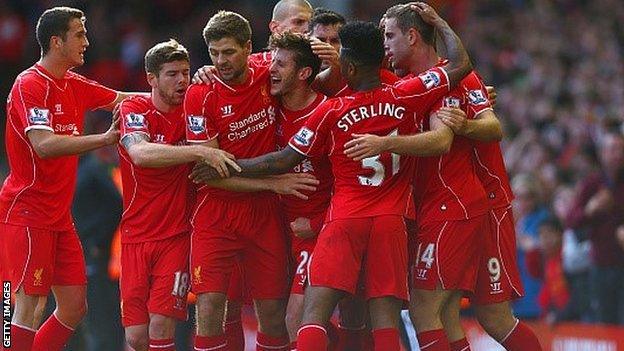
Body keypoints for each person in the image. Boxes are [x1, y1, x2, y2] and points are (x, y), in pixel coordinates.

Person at [194, 5, 473, 349]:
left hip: (342, 220)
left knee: (309, 318)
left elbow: (282, 160)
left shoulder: (331, 108)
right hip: (390, 221)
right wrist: (439, 23)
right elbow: (460, 65)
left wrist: (223, 163)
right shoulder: (406, 93)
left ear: (349, 67)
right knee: (382, 321)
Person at [346, 3, 540, 350]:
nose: (384, 44)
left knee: (441, 311)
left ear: (412, 35)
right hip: (449, 206)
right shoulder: (410, 82)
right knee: (455, 313)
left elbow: (491, 127)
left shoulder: (458, 77)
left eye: (390, 35)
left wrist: (463, 124)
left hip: (469, 205)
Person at [0, 7, 136, 351]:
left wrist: (183, 93)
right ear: (57, 41)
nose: (87, 42)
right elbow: (43, 145)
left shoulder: (73, 84)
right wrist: (103, 140)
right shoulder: (29, 85)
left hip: (58, 217)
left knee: (74, 306)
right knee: (23, 307)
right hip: (27, 212)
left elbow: (125, 100)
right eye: (79, 34)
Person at [184, 11, 291, 351]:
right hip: (217, 214)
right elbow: (212, 174)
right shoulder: (199, 94)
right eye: (213, 53)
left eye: (228, 52)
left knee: (273, 314)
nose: (220, 61)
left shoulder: (269, 72)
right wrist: (272, 182)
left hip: (264, 216)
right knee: (211, 306)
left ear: (248, 47)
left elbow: (305, 59)